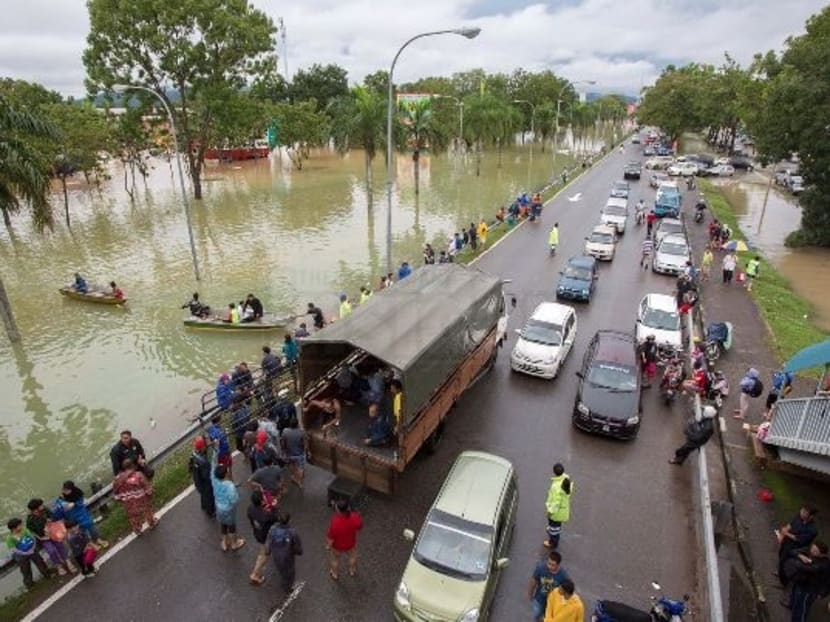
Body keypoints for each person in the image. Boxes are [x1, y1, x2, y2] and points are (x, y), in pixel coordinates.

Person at [52, 481, 108, 549]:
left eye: (67, 490)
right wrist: (64, 507)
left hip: (82, 514)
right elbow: (58, 509)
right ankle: (91, 544)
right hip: (72, 518)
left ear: (72, 489)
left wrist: (74, 504)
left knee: (91, 527)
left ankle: (98, 539)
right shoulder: (60, 499)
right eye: (64, 490)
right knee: (81, 532)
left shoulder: (77, 493)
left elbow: (81, 502)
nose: (65, 492)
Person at [26, 498, 75, 575]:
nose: (42, 506)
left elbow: (53, 517)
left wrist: (50, 520)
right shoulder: (30, 519)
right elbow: (31, 531)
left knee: (60, 546)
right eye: (40, 505)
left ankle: (68, 562)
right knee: (51, 551)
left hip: (53, 533)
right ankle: (59, 566)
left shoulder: (45, 510)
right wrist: (40, 538)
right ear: (35, 509)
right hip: (44, 538)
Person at [776, 505, 819, 587]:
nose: (801, 513)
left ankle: (784, 583)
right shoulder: (799, 517)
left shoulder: (812, 530)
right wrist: (783, 534)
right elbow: (790, 524)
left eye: (805, 512)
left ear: (811, 516)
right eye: (802, 510)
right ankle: (780, 572)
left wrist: (786, 533)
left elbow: (798, 539)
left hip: (795, 548)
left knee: (785, 563)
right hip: (786, 543)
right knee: (780, 556)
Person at [113, 458, 157, 536]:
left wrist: (122, 501)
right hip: (141, 499)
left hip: (128, 502)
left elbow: (116, 494)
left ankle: (137, 530)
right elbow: (147, 487)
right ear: (132, 465)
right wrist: (150, 494)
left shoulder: (117, 479)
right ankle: (151, 523)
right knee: (147, 511)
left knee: (132, 516)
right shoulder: (138, 475)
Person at [785, 541, 829, 618]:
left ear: (822, 554)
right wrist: (800, 556)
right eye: (812, 548)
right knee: (796, 607)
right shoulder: (811, 554)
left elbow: (808, 569)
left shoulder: (823, 565)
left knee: (801, 610)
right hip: (802, 583)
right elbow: (791, 551)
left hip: (808, 590)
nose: (812, 551)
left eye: (815, 551)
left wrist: (804, 562)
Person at [210, 455, 245, 552]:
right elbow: (234, 500)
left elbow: (213, 466)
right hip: (229, 510)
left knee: (223, 524)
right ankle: (234, 544)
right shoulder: (230, 486)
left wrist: (215, 452)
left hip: (219, 507)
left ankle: (224, 543)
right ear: (226, 474)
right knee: (231, 526)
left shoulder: (214, 480)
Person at [6, 517, 53, 588]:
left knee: (40, 562)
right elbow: (14, 549)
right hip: (21, 555)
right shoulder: (9, 538)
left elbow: (32, 538)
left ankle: (47, 574)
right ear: (14, 528)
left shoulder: (24, 530)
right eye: (19, 525)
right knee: (25, 570)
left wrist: (32, 548)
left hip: (31, 549)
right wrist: (25, 553)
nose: (21, 526)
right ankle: (29, 584)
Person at [266, 512, 303, 592]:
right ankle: (287, 587)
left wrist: (268, 551)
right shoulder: (292, 532)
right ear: (289, 520)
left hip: (276, 555)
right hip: (288, 557)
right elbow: (298, 548)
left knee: (281, 568)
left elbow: (269, 541)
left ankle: (284, 580)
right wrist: (299, 552)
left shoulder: (272, 529)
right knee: (290, 572)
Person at [326, 500, 363, 580]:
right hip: (351, 543)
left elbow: (331, 537)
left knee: (335, 559)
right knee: (352, 557)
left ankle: (335, 574)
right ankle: (352, 570)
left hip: (337, 546)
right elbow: (359, 526)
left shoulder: (335, 522)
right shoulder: (355, 517)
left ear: (338, 510)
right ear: (348, 507)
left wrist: (328, 546)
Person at [528, 551, 570, 622]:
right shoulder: (540, 568)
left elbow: (566, 590)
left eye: (553, 565)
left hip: (553, 603)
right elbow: (533, 581)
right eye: (548, 563)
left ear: (558, 565)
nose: (549, 566)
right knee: (536, 614)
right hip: (539, 599)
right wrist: (530, 594)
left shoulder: (563, 576)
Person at [247, 489, 277, 586]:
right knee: (263, 555)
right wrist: (274, 507)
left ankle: (255, 574)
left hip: (258, 534)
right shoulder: (266, 515)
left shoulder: (250, 509)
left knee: (263, 551)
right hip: (266, 536)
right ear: (261, 501)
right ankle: (255, 574)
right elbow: (275, 517)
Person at [544, 463, 573, 549]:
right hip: (562, 510)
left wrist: (550, 512)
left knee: (554, 528)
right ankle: (554, 535)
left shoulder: (556, 486)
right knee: (557, 526)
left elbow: (555, 502)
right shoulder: (566, 479)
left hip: (556, 512)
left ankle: (552, 543)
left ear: (554, 472)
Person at [189, 436, 215, 517]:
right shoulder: (203, 462)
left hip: (197, 479)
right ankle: (210, 512)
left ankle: (203, 505)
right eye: (205, 445)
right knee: (209, 495)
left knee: (203, 494)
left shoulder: (194, 454)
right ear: (202, 447)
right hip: (204, 482)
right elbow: (206, 476)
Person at [281, 419, 308, 489]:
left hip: (289, 454)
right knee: (300, 468)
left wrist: (284, 452)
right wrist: (306, 452)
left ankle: (294, 477)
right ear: (297, 425)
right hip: (299, 454)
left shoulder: (285, 431)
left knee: (291, 465)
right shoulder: (301, 432)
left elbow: (283, 443)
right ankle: (300, 483)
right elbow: (305, 443)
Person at [206, 413, 233, 477]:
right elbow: (225, 443)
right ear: (219, 420)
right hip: (224, 453)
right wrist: (227, 434)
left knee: (223, 469)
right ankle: (231, 483)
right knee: (228, 468)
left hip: (218, 454)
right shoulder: (219, 432)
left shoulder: (210, 430)